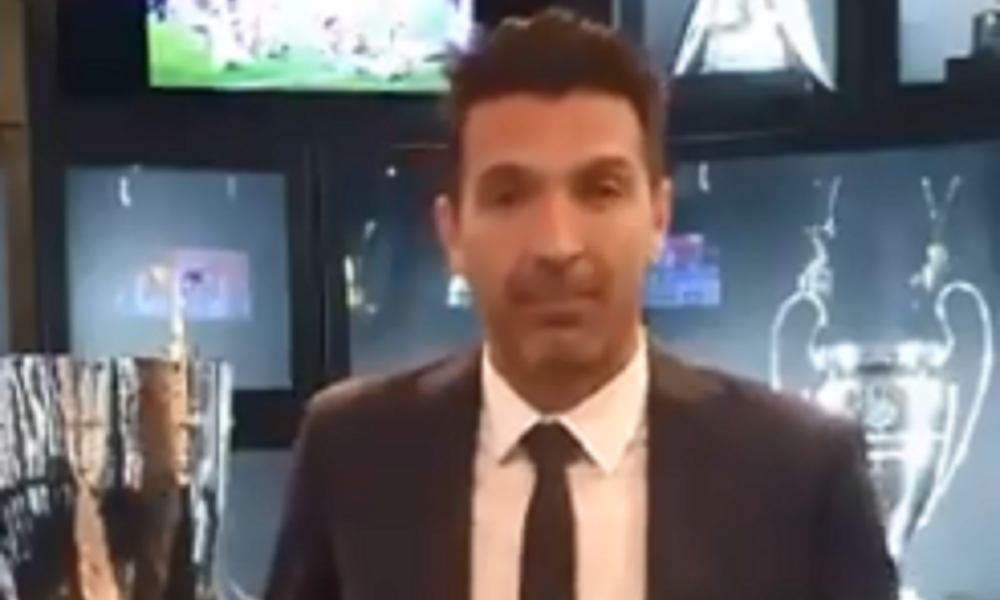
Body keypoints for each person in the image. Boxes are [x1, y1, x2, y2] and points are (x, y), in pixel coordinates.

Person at [264, 8, 898, 600]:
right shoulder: (351, 452)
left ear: (658, 217)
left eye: (600, 190)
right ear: (452, 232)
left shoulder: (799, 473)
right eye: (509, 195)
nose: (557, 244)